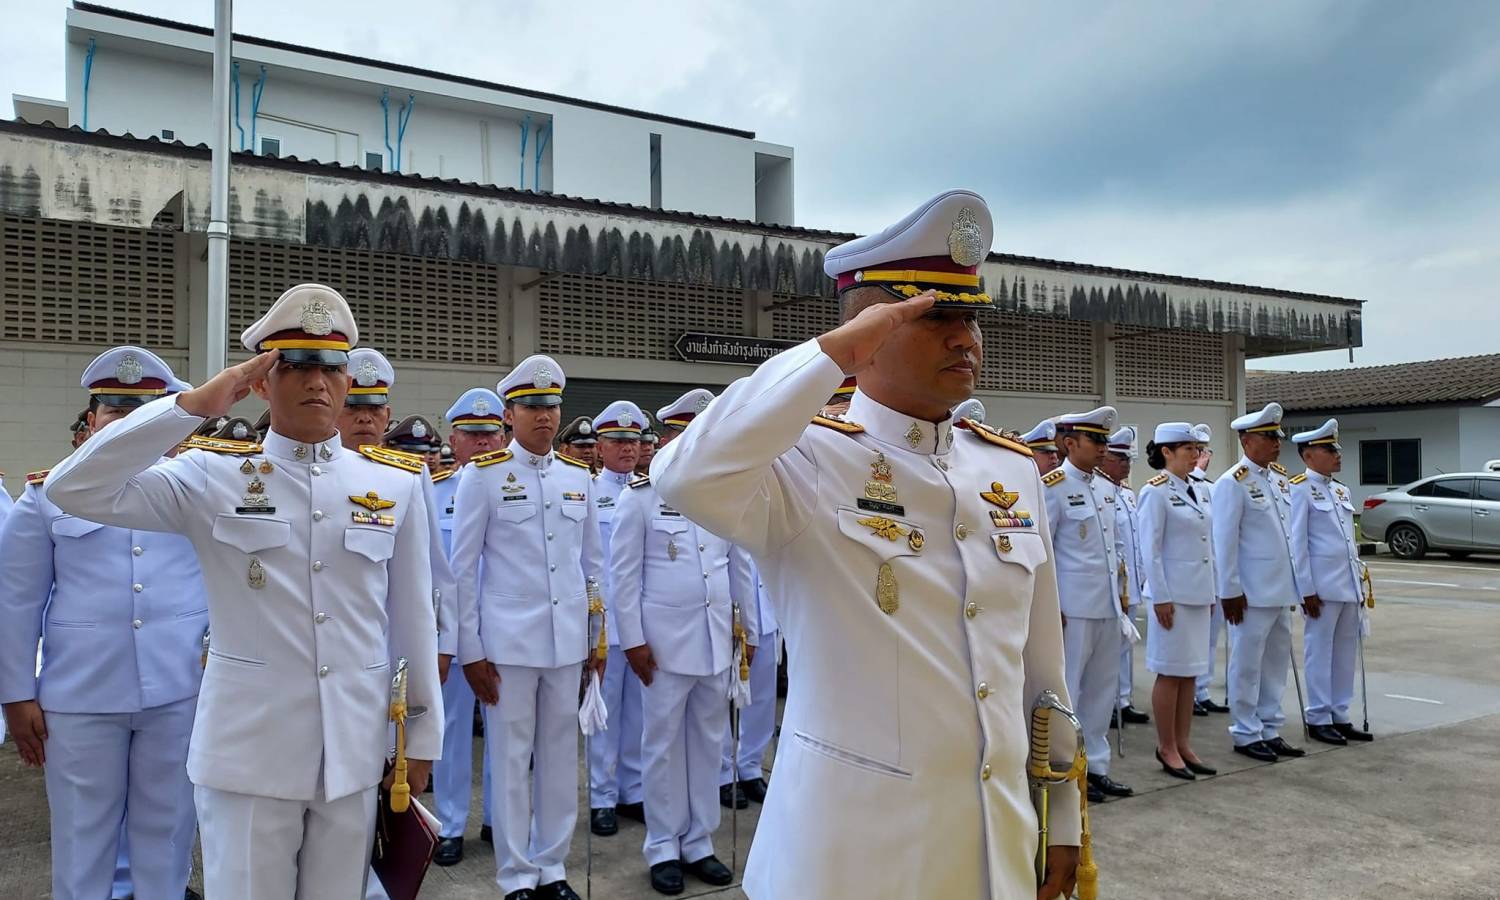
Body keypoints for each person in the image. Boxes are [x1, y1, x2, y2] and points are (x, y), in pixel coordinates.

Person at [651, 190, 1081, 899]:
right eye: (936, 316)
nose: (964, 339)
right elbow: (686, 474)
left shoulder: (1008, 471)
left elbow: (1042, 670)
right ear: (869, 334)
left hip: (993, 847)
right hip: (851, 855)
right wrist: (829, 357)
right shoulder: (805, 460)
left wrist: (1059, 816)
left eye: (971, 317)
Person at [44, 284, 443, 899]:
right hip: (249, 755)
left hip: (355, 753)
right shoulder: (210, 474)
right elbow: (74, 489)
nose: (319, 381)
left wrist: (420, 737)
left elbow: (413, 621)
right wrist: (190, 405)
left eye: (332, 366)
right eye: (299, 365)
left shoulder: (393, 485)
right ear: (261, 381)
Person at [0, 347, 207, 900]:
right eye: (117, 415)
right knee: (81, 840)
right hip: (81, 698)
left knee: (167, 838)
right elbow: (17, 603)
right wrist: (16, 694)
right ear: (92, 421)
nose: (129, 428)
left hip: (179, 691)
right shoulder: (45, 498)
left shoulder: (196, 492)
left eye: (145, 415)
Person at [453, 354, 606, 900]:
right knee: (511, 760)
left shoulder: (577, 478)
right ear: (510, 415)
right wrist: (470, 651)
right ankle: (515, 874)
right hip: (508, 648)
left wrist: (596, 639)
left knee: (562, 760)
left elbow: (594, 567)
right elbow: (462, 572)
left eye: (551, 405)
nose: (544, 416)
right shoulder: (483, 477)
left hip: (567, 644)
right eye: (532, 406)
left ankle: (553, 867)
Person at [614, 388, 757, 894]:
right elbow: (623, 577)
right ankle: (662, 846)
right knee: (661, 747)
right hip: (663, 646)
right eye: (684, 430)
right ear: (671, 436)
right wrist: (631, 640)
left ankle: (699, 841)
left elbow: (739, 565)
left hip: (717, 640)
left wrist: (750, 632)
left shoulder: (721, 492)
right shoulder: (642, 495)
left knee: (708, 744)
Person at [431, 387, 506, 866]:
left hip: (505, 632)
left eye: (490, 434)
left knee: (507, 735)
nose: (482, 444)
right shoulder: (432, 490)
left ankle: (501, 820)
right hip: (452, 634)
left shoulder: (522, 487)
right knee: (452, 733)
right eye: (472, 436)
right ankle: (452, 824)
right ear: (454, 441)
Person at [1045, 407, 1133, 804]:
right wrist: (1051, 605)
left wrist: (1122, 598)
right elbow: (1044, 552)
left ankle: (1096, 768)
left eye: (1103, 440)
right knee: (1071, 693)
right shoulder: (1053, 486)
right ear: (1069, 443)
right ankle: (1065, 770)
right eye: (1095, 440)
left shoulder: (1105, 488)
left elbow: (1113, 550)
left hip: (1107, 606)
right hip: (1073, 607)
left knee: (1101, 692)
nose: (1103, 448)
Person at [1212, 403, 1305, 763]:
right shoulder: (1231, 483)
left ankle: (1269, 725)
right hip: (1249, 593)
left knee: (1276, 663)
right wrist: (1230, 590)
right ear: (1247, 441)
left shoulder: (1279, 479)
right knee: (1247, 664)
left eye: (1277, 437)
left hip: (1279, 589)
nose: (1276, 443)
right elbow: (1225, 541)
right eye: (1268, 437)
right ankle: (1246, 731)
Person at [1137, 423, 1218, 781]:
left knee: (1190, 674)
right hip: (1172, 597)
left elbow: (1207, 546)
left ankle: (1183, 743)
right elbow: (1150, 551)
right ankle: (1166, 745)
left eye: (1196, 449)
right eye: (1187, 448)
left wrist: (1212, 591)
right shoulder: (1155, 493)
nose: (1194, 455)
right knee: (1170, 672)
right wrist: (1161, 597)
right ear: (1166, 452)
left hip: (1198, 594)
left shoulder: (1198, 490)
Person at [1289, 419, 1374, 745]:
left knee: (1344, 654)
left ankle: (1340, 714)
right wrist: (1305, 589)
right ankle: (1318, 716)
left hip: (1348, 586)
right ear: (1309, 455)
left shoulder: (1341, 490)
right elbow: (1298, 544)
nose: (1338, 455)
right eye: (1329, 449)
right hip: (1321, 589)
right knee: (1319, 652)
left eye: (1337, 449)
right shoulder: (1298, 488)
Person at [586, 400, 649, 837]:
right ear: (600, 448)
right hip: (605, 619)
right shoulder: (588, 492)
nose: (628, 449)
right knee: (603, 711)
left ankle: (634, 791)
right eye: (618, 441)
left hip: (644, 619)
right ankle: (601, 796)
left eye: (634, 441)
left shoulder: (652, 491)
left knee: (640, 713)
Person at [1100, 426, 1149, 727]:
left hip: (1130, 584)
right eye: (1120, 459)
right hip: (1110, 586)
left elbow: (1136, 540)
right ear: (1104, 459)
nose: (1126, 465)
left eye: (1128, 460)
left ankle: (1124, 699)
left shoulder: (1129, 495)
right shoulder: (1099, 491)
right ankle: (1109, 702)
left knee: (1126, 646)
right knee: (1109, 649)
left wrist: (1141, 575)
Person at [1190, 423, 1229, 716]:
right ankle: (1190, 692)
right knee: (1191, 639)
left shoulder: (1213, 488)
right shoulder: (1180, 485)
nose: (1202, 456)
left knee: (1210, 637)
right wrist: (1198, 472)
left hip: (1213, 575)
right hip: (1189, 579)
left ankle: (1202, 690)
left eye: (1205, 451)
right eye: (1197, 450)